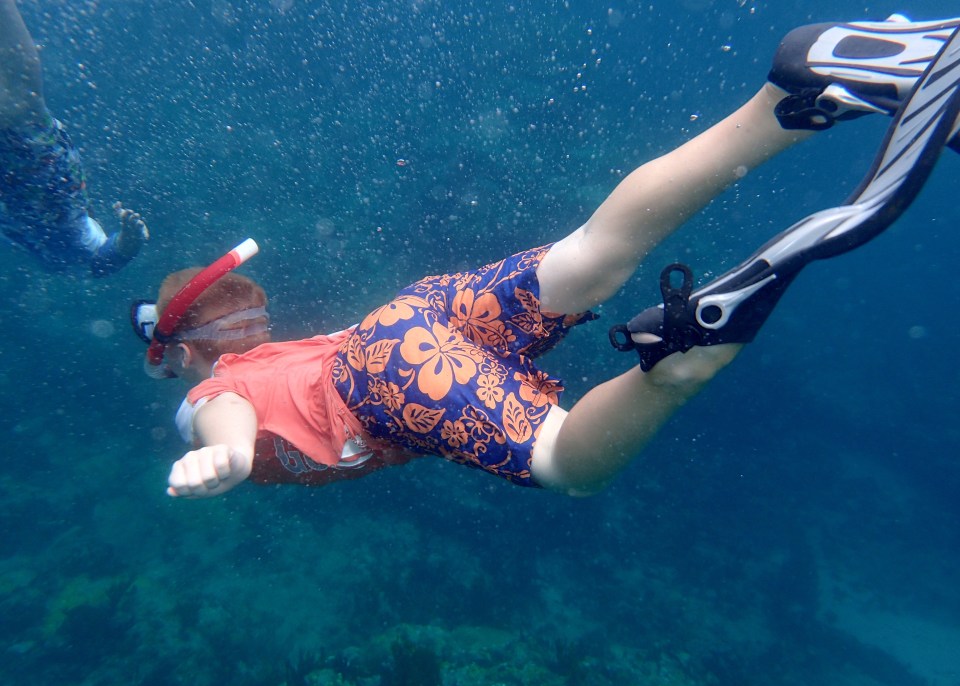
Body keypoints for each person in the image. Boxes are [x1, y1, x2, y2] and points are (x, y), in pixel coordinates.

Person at [132, 14, 960, 499]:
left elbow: (223, 416)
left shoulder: (212, 389)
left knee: (569, 462)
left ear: (180, 351)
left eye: (164, 358)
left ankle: (681, 354)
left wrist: (225, 458)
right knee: (595, 251)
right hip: (406, 324)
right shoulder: (276, 350)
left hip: (382, 377)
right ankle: (793, 94)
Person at [0, 0, 147, 276]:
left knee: (21, 74)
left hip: (33, 157)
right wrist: (130, 240)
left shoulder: (76, 247)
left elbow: (104, 262)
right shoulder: (56, 250)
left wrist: (131, 242)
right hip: (26, 164)